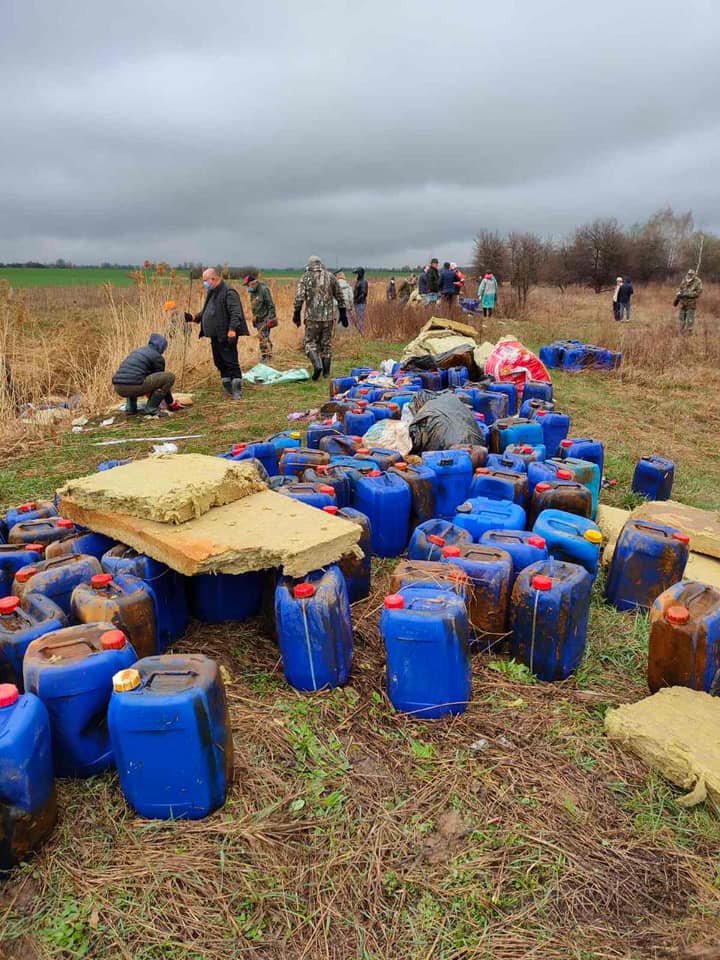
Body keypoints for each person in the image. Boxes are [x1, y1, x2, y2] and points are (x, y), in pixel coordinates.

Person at [185, 268, 249, 400]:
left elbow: (235, 313)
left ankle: (237, 390)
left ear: (213, 279)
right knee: (219, 361)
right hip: (215, 335)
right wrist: (192, 318)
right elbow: (206, 312)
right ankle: (227, 387)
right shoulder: (212, 292)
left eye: (205, 281)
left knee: (231, 361)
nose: (204, 283)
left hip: (226, 334)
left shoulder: (229, 292)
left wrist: (232, 330)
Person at [294, 256, 348, 379]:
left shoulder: (305, 277)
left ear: (309, 265)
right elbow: (340, 295)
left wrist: (296, 313)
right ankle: (326, 373)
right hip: (328, 317)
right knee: (326, 344)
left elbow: (299, 296)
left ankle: (317, 365)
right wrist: (343, 313)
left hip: (312, 317)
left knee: (309, 343)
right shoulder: (331, 276)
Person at [112, 333, 179, 416]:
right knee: (169, 377)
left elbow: (131, 375)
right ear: (161, 347)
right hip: (133, 387)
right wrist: (171, 402)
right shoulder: (157, 357)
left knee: (133, 377)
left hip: (118, 387)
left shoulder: (138, 351)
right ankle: (151, 408)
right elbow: (161, 382)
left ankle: (130, 408)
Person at [244, 273, 276, 362]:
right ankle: (268, 355)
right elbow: (255, 306)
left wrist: (270, 319)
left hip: (265, 318)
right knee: (263, 338)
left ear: (254, 283)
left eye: (248, 285)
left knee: (263, 338)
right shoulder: (252, 292)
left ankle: (265, 357)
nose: (247, 287)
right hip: (258, 320)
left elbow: (271, 305)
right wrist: (254, 318)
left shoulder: (264, 290)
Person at [674, 268, 703, 334]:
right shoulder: (684, 279)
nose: (689, 276)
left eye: (691, 275)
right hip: (682, 303)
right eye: (688, 274)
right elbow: (680, 287)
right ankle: (680, 333)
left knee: (690, 319)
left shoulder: (698, 281)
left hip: (691, 304)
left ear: (694, 275)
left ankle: (689, 334)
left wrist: (686, 294)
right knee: (681, 318)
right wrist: (678, 292)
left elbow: (698, 293)